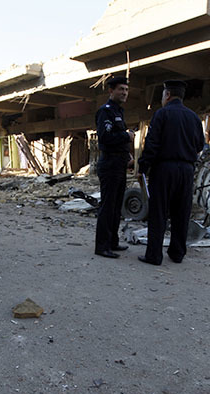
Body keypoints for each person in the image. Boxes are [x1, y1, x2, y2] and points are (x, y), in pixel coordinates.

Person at [137, 80, 205, 266]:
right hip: (186, 170)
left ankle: (154, 255)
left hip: (164, 169)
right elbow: (200, 145)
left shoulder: (162, 114)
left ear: (167, 95)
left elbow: (151, 144)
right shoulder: (194, 118)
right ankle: (177, 253)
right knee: (181, 213)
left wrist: (143, 167)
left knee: (158, 212)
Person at [94, 76, 135, 259]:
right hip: (109, 164)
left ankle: (113, 241)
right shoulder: (106, 111)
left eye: (126, 90)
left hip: (119, 164)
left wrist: (127, 156)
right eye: (121, 89)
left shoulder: (119, 111)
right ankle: (102, 246)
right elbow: (105, 138)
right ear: (111, 91)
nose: (124, 93)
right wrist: (127, 137)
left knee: (117, 206)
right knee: (108, 206)